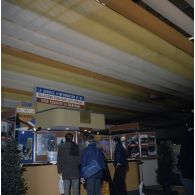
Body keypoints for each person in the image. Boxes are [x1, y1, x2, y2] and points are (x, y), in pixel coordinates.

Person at [177, 118, 194, 195]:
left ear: (187, 125)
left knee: (188, 183)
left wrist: (179, 164)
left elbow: (184, 151)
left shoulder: (187, 135)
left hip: (188, 166)